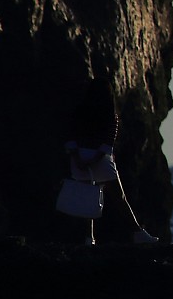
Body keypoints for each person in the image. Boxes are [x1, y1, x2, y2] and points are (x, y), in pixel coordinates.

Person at [58, 80, 151, 245]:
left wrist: (78, 158)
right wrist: (95, 159)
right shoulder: (110, 115)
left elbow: (70, 136)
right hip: (100, 160)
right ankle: (138, 232)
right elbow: (108, 143)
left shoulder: (79, 113)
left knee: (87, 198)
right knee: (119, 198)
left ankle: (89, 238)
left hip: (79, 157)